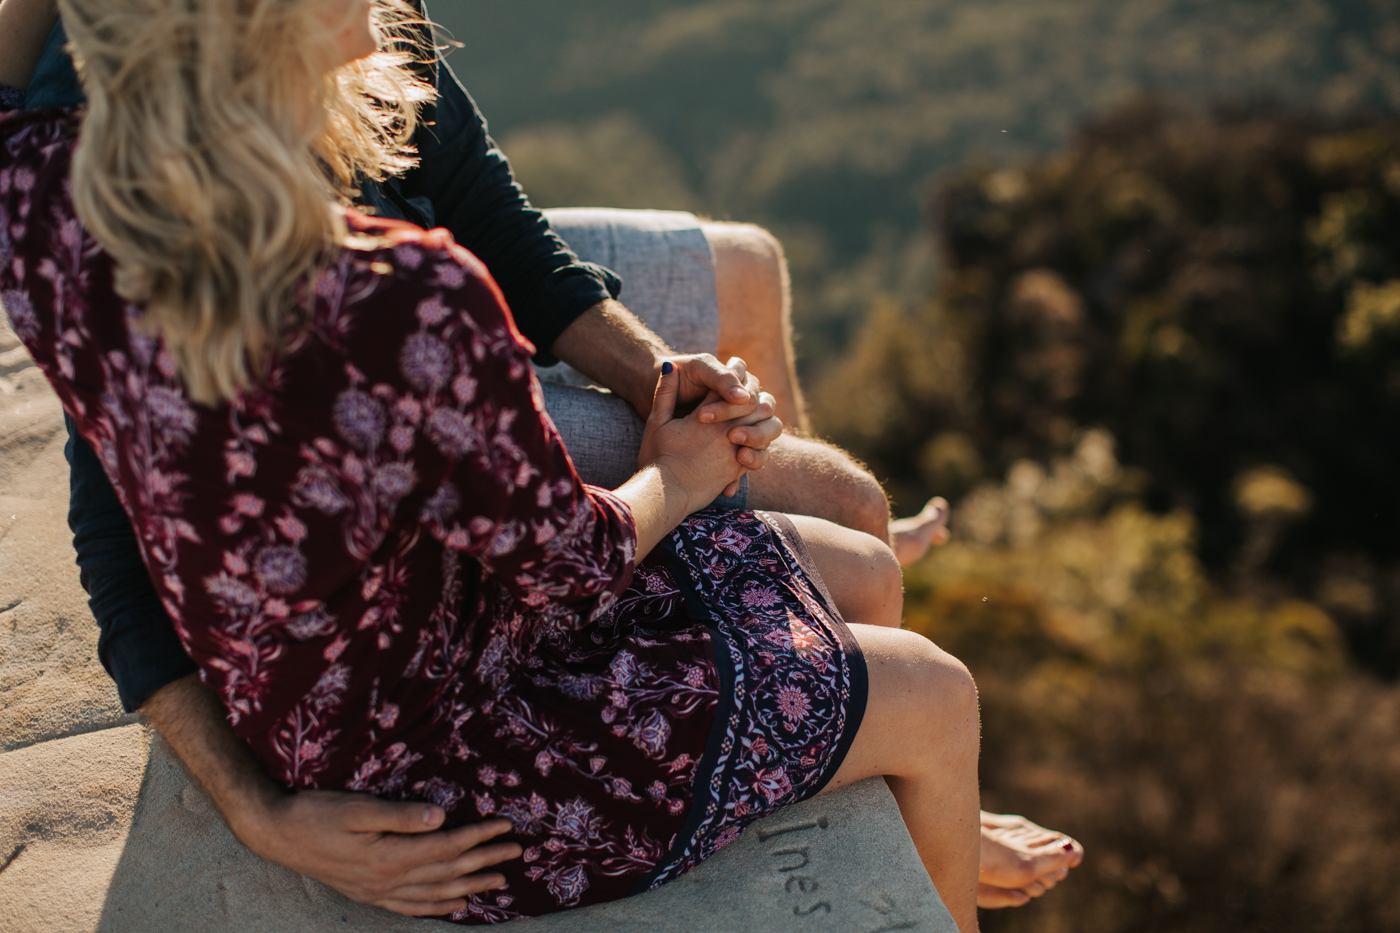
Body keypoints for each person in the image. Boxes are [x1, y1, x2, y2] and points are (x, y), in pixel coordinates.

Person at [0, 0, 1081, 917]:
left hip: (369, 676)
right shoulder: (405, 299)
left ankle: (887, 788)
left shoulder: (40, 196)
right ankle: (920, 817)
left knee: (864, 573)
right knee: (934, 696)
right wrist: (683, 475)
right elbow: (571, 562)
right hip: (451, 766)